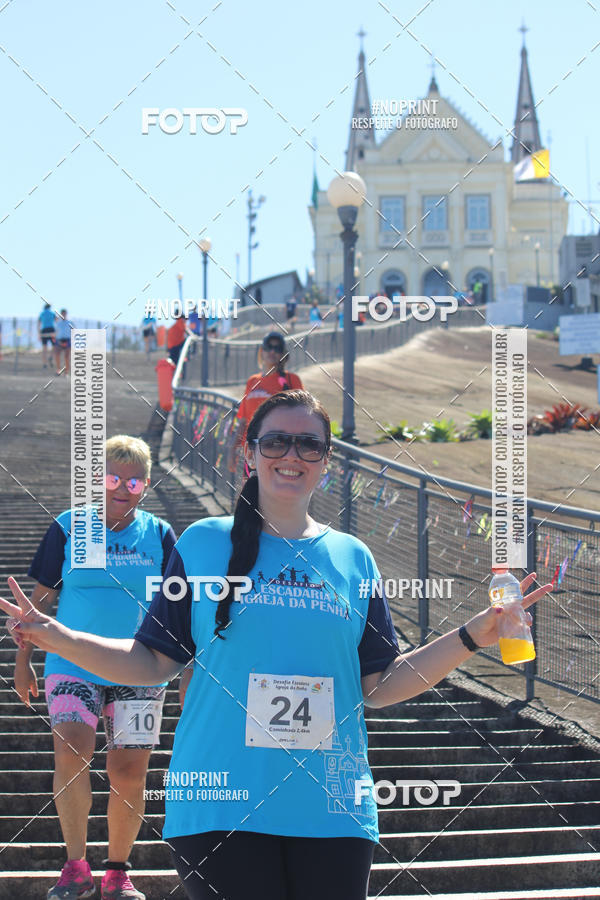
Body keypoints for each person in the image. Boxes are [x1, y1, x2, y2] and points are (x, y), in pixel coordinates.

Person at [2, 392, 552, 900]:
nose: (292, 455)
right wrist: (54, 634)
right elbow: (150, 661)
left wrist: (472, 635)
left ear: (327, 461)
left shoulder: (354, 559)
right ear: (251, 454)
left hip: (334, 810)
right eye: (276, 442)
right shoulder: (201, 543)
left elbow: (381, 685)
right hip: (220, 805)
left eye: (309, 444)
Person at [12, 435, 176, 900]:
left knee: (129, 771)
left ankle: (117, 872)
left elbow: (178, 608)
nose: (122, 488)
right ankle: (76, 867)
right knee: (71, 750)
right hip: (71, 662)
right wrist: (23, 660)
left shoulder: (161, 535)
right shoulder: (68, 528)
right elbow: (38, 604)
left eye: (134, 481)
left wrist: (186, 669)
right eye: (111, 478)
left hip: (140, 665)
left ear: (146, 485)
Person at [227, 331, 303, 473]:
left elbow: (302, 417)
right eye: (269, 347)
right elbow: (243, 421)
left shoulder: (291, 380)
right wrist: (232, 449)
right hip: (251, 453)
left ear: (283, 354)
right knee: (249, 488)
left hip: (277, 453)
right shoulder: (252, 381)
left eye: (277, 348)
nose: (272, 351)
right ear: (261, 351)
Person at [54, 309, 73, 376]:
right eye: (62, 314)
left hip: (67, 340)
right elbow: (55, 332)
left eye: (64, 314)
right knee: (57, 355)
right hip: (59, 340)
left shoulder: (69, 322)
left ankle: (66, 372)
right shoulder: (58, 323)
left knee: (66, 357)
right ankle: (58, 369)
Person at [38, 302, 57, 368]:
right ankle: (51, 356)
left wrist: (39, 333)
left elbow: (39, 324)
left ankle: (44, 363)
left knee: (44, 348)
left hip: (44, 330)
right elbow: (57, 321)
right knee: (54, 345)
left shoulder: (42, 313)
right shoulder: (52, 313)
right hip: (51, 330)